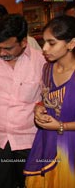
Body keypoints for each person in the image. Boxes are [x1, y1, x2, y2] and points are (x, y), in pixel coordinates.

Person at [0, 14, 46, 188]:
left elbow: (49, 96)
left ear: (23, 43)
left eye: (8, 48)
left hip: (30, 139)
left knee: (30, 184)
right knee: (0, 183)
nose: (2, 53)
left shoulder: (41, 60)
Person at [24, 15, 75, 187]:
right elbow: (48, 100)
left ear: (71, 44)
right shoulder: (47, 69)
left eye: (52, 43)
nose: (44, 48)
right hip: (47, 142)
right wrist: (39, 108)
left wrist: (61, 126)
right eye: (43, 42)